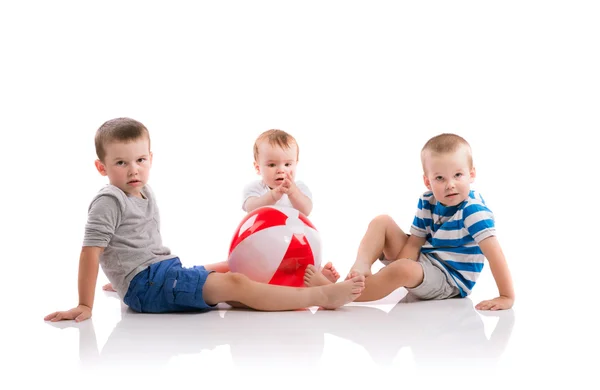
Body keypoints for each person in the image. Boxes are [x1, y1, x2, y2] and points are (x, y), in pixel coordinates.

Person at [44, 118, 365, 323]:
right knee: (236, 284)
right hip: (148, 286)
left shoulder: (144, 192)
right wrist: (85, 305)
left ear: (150, 159)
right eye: (120, 162)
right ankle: (320, 296)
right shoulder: (108, 200)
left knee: (233, 264)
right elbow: (91, 253)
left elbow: (132, 245)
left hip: (158, 272)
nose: (133, 170)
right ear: (102, 168)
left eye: (140, 160)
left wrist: (121, 276)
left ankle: (293, 283)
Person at [304, 133, 515, 311]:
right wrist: (396, 269)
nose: (450, 185)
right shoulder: (428, 200)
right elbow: (414, 242)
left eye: (458, 175)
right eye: (440, 178)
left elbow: (495, 254)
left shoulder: (473, 211)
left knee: (403, 269)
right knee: (382, 221)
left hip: (450, 280)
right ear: (428, 181)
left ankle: (337, 294)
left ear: (472, 175)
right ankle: (361, 267)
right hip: (426, 261)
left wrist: (506, 296)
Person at [240, 129, 339, 283]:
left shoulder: (299, 188)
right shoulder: (255, 189)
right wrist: (273, 196)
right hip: (261, 248)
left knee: (304, 262)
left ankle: (319, 276)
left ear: (296, 164)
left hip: (294, 245)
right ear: (258, 168)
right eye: (272, 164)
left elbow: (306, 209)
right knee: (244, 268)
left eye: (287, 164)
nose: (281, 169)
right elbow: (251, 208)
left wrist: (292, 192)